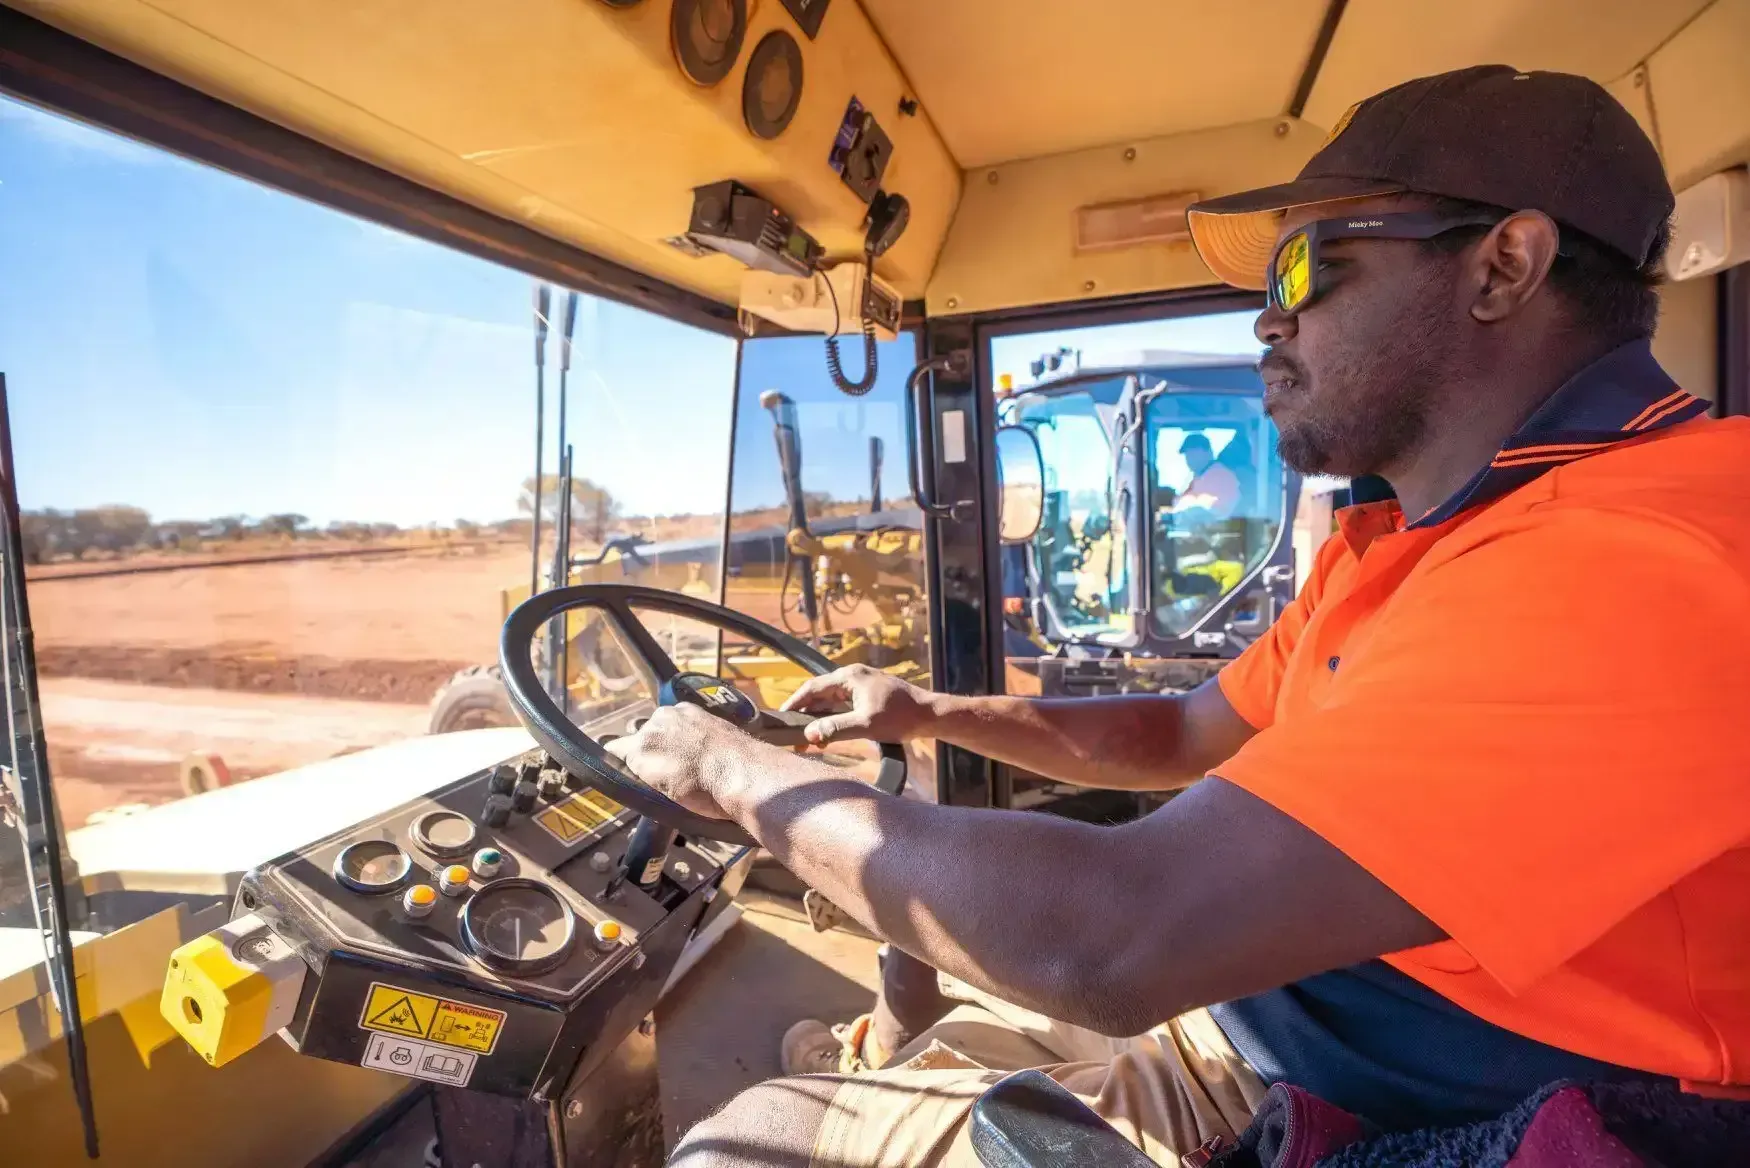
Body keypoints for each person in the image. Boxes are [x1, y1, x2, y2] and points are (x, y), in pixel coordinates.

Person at [606, 64, 1750, 1166]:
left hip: (1377, 1108)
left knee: (749, 1138)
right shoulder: (1425, 546)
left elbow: (1110, 942)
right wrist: (926, 707)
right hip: (1281, 1026)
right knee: (926, 1005)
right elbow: (1182, 733)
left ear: (1503, 265)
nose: (1266, 323)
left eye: (1304, 270)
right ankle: (889, 1066)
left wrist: (736, 768)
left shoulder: (1638, 557)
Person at [1171, 432, 1241, 522]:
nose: (1189, 458)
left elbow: (1215, 511)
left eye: (1193, 453)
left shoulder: (1221, 476)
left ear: (1208, 452)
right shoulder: (1198, 477)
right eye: (1187, 454)